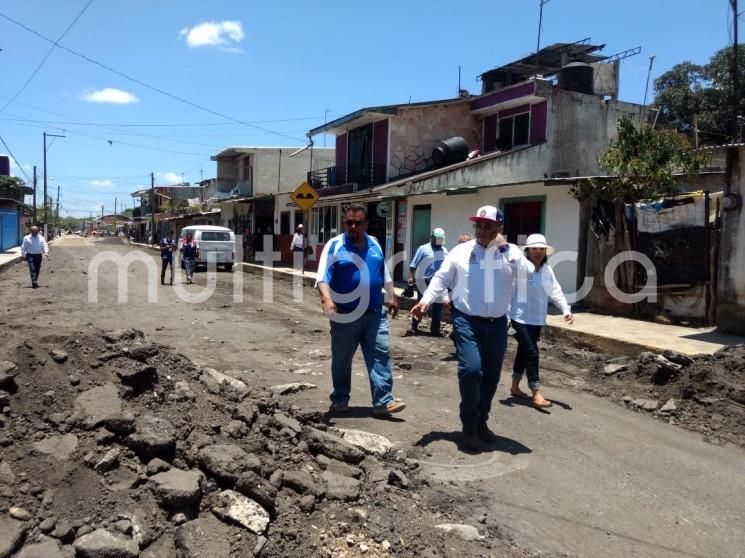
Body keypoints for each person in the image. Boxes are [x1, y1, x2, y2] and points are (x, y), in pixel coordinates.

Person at [410, 206, 522, 451]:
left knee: (491, 378)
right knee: (471, 371)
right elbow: (441, 278)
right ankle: (469, 426)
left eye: (487, 226)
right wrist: (426, 300)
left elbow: (526, 273)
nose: (481, 231)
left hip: (498, 325)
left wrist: (502, 249)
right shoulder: (461, 251)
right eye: (478, 226)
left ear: (499, 229)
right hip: (468, 321)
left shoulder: (510, 252)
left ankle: (482, 422)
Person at [316, 204, 406, 417]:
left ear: (366, 224)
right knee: (342, 359)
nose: (353, 226)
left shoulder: (374, 243)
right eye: (349, 222)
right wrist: (326, 299)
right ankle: (340, 398)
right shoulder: (335, 245)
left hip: (375, 312)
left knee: (380, 356)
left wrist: (391, 296)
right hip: (345, 315)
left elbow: (383, 273)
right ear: (344, 223)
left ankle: (383, 401)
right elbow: (322, 276)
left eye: (358, 222)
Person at [509, 234, 574, 409]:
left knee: (524, 351)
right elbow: (508, 291)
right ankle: (536, 393)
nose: (538, 252)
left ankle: (515, 386)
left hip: (537, 319)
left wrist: (565, 310)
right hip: (518, 318)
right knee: (532, 352)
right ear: (527, 251)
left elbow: (556, 291)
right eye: (534, 248)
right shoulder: (520, 267)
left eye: (541, 249)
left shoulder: (547, 270)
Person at [408, 228, 448, 335]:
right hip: (424, 281)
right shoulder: (423, 249)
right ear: (432, 238)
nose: (438, 241)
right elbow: (413, 264)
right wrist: (411, 277)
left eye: (441, 239)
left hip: (439, 283)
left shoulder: (445, 251)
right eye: (436, 238)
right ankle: (414, 325)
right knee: (421, 304)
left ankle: (435, 330)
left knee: (438, 307)